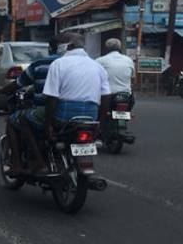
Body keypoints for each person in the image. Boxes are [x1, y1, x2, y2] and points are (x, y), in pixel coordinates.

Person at [6, 34, 111, 175]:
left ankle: (39, 162)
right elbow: (106, 97)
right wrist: (101, 124)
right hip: (90, 116)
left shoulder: (59, 64)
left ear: (69, 46)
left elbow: (52, 97)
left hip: (63, 116)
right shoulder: (97, 66)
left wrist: (48, 124)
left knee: (22, 119)